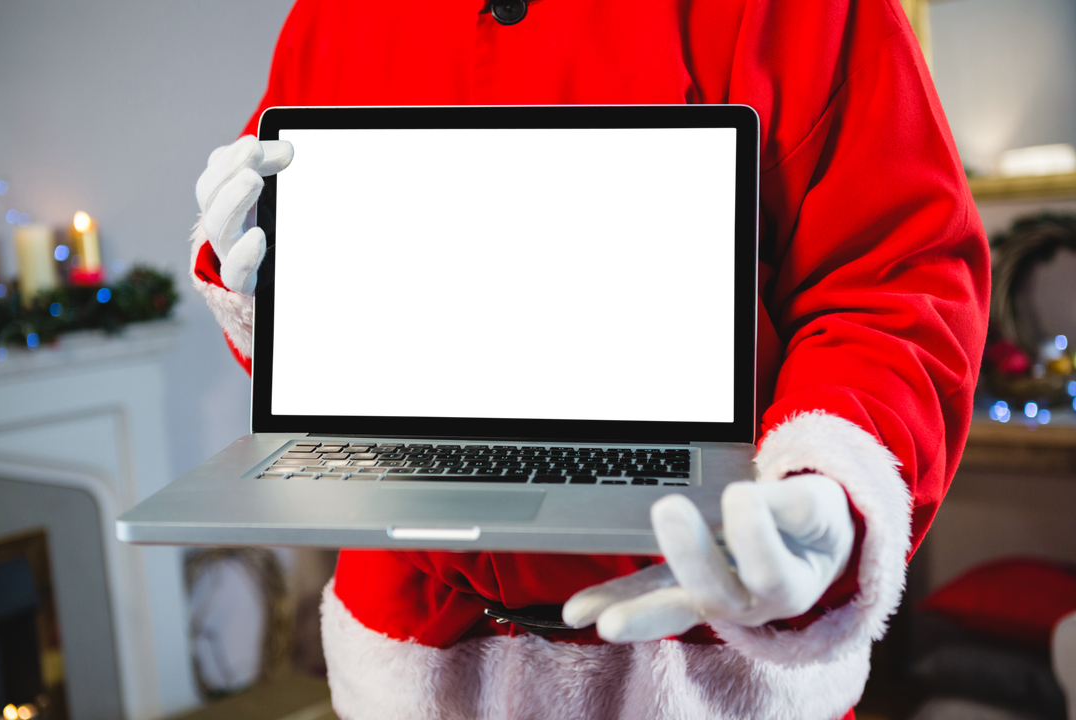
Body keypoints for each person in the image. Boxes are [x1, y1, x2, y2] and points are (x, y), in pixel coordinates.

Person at [189, 0, 990, 717]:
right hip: (414, 659)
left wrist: (833, 478)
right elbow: (320, 318)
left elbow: (890, 279)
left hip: (703, 665)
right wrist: (266, 294)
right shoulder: (328, 16)